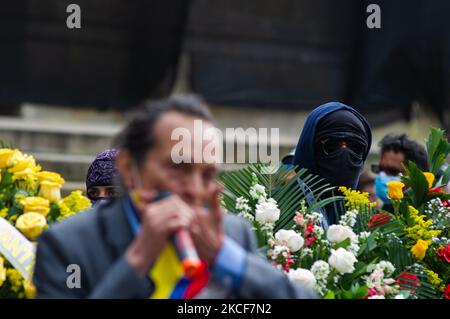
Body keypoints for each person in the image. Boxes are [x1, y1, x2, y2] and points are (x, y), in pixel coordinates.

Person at [33, 95, 316, 299]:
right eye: (178, 168)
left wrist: (227, 259)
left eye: (207, 175)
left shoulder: (231, 235)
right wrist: (137, 260)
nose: (194, 189)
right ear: (131, 168)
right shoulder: (67, 245)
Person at [292, 102, 372, 226]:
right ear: (309, 148)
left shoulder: (369, 224)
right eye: (332, 145)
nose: (344, 154)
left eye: (355, 147)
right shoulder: (273, 212)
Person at [372, 133, 428, 210]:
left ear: (417, 176)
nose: (382, 176)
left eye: (392, 171)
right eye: (380, 169)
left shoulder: (433, 213)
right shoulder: (382, 213)